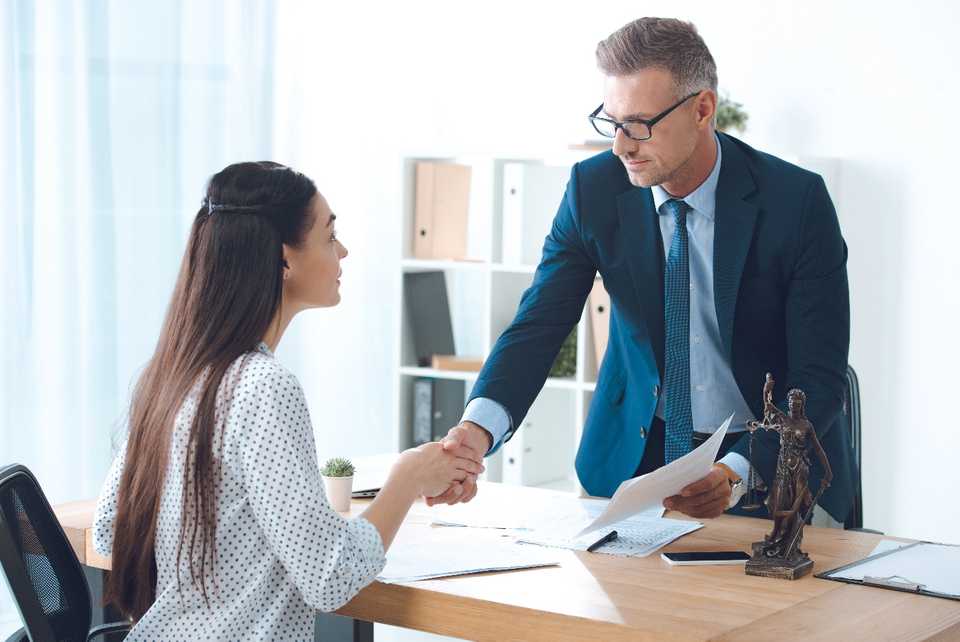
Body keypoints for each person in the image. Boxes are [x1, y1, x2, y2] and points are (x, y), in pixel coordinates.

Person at [431, 17, 855, 524]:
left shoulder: (796, 202)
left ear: (702, 109)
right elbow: (538, 325)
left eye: (639, 125)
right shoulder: (593, 190)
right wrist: (475, 431)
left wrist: (736, 471)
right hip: (634, 461)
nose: (621, 146)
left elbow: (819, 377)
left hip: (768, 466)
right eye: (612, 123)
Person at [92, 162, 482, 640]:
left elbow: (110, 528)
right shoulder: (262, 386)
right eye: (329, 235)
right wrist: (407, 478)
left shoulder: (170, 374)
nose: (343, 251)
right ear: (285, 260)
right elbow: (329, 578)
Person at [749, 388, 833, 556]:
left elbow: (818, 449)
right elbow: (768, 405)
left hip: (799, 468)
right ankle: (775, 535)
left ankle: (789, 542)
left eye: (797, 402)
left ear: (802, 405)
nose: (794, 405)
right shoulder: (782, 419)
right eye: (791, 402)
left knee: (795, 505)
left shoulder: (806, 425)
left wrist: (828, 472)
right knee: (777, 504)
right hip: (782, 467)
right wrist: (766, 388)